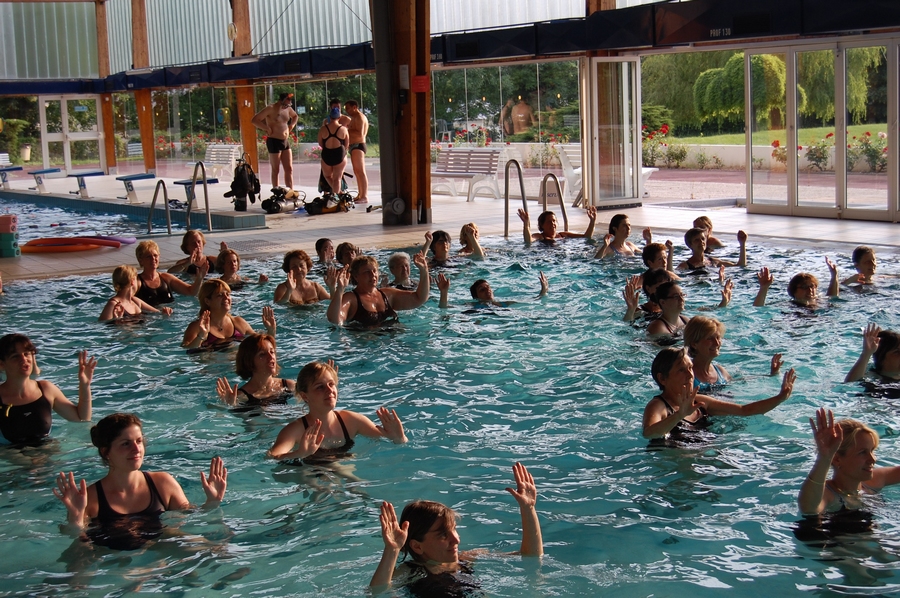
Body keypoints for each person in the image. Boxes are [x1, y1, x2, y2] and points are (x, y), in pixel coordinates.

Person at [53, 413, 227, 550]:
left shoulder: (162, 483)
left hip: (159, 552)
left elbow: (189, 516)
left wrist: (212, 502)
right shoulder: (89, 498)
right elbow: (75, 536)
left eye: (139, 441)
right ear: (106, 452)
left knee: (215, 550)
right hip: (113, 558)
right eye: (125, 444)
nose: (136, 449)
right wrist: (75, 518)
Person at [370, 462, 543, 591]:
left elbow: (530, 557)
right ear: (417, 546)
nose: (456, 540)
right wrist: (392, 550)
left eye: (453, 529)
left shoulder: (466, 558)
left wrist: (528, 509)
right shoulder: (411, 571)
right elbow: (378, 592)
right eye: (443, 535)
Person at [641, 347, 796, 442]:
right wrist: (679, 415)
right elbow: (649, 433)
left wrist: (780, 398)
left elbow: (744, 410)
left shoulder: (700, 401)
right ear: (662, 378)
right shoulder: (658, 406)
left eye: (690, 368)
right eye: (681, 370)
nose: (690, 375)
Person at [268, 360, 407, 463]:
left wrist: (399, 437)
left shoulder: (351, 421)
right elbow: (271, 458)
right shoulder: (295, 430)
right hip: (309, 472)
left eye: (331, 384)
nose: (329, 390)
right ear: (305, 396)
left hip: (342, 465)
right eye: (320, 387)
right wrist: (301, 453)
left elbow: (392, 441)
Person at [798, 407, 900, 515]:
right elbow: (808, 508)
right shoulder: (828, 495)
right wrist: (825, 457)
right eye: (862, 452)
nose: (873, 459)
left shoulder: (873, 481)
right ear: (837, 459)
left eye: (872, 450)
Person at [0, 334, 96, 446]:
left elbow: (81, 419)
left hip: (47, 450)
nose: (24, 359)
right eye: (15, 356)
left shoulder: (46, 389)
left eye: (26, 354)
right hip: (9, 453)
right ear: (2, 364)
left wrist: (85, 385)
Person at [683, 316, 783, 393]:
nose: (717, 343)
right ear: (694, 344)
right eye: (710, 338)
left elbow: (739, 382)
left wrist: (772, 374)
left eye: (718, 337)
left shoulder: (720, 371)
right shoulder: (686, 374)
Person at [326, 254, 429, 327]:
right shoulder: (351, 298)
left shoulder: (388, 294)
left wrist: (424, 271)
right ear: (356, 276)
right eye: (367, 272)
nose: (373, 275)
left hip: (393, 343)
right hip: (366, 344)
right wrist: (340, 289)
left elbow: (419, 298)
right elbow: (335, 320)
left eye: (374, 271)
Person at [181, 280, 277, 350]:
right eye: (220, 295)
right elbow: (186, 350)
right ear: (207, 301)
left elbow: (260, 344)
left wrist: (271, 330)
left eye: (228, 294)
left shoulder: (238, 322)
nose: (226, 297)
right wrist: (201, 336)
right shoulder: (197, 327)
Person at [216, 334, 295, 408]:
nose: (271, 357)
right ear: (249, 361)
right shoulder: (241, 397)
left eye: (272, 352)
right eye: (262, 354)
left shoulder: (289, 386)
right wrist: (230, 405)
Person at [251, 92, 299, 190]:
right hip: (274, 141)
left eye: (289, 104)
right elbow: (255, 120)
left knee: (289, 168)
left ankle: (290, 191)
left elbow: (295, 116)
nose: (287, 106)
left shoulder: (288, 109)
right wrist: (266, 128)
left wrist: (292, 125)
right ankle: (276, 190)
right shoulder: (271, 108)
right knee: (276, 169)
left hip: (285, 141)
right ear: (281, 100)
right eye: (286, 103)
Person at [134, 240, 204, 306]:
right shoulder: (137, 281)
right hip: (148, 314)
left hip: (171, 313)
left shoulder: (166, 278)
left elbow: (191, 292)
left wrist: (199, 279)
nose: (153, 259)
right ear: (141, 260)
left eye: (155, 255)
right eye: (148, 257)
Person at [98, 265, 173, 322]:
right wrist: (117, 320)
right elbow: (103, 326)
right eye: (137, 279)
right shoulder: (113, 304)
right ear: (132, 281)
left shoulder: (135, 301)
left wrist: (165, 311)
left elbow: (157, 313)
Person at [753, 259, 839, 307]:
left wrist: (834, 275)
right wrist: (764, 288)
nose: (810, 290)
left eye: (812, 286)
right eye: (804, 287)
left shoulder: (820, 300)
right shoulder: (790, 306)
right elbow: (759, 308)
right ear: (794, 291)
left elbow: (833, 297)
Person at [318, 99, 349, 196]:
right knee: (337, 178)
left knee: (327, 176)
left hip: (327, 154)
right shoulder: (343, 129)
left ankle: (336, 194)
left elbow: (320, 143)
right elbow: (346, 144)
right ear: (339, 117)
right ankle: (337, 195)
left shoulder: (323, 128)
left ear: (330, 117)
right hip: (339, 154)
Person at [518, 206, 597, 245]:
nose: (552, 223)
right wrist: (526, 225)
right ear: (542, 225)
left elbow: (586, 236)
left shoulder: (563, 235)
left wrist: (592, 221)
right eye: (549, 222)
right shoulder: (540, 236)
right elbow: (528, 240)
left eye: (554, 221)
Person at [677, 228, 747, 271]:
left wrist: (742, 243)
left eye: (703, 239)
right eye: (697, 240)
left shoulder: (713, 261)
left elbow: (740, 265)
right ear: (690, 245)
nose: (701, 242)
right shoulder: (685, 266)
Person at [469, 272, 548, 307]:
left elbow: (529, 301)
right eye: (482, 290)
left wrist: (543, 291)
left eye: (488, 287)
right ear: (476, 297)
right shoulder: (473, 306)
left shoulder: (503, 304)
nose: (488, 290)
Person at [344, 100, 370, 203]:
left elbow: (360, 134)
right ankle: (360, 194)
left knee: (361, 171)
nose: (347, 111)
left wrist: (346, 131)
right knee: (357, 171)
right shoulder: (353, 118)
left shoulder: (360, 117)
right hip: (353, 146)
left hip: (358, 145)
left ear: (354, 107)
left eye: (348, 108)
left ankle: (364, 196)